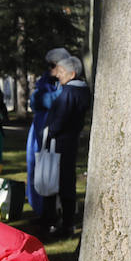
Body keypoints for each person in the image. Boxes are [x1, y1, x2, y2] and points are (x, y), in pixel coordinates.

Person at [38, 55, 90, 238]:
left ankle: (53, 222)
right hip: (70, 142)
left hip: (59, 144)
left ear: (72, 73)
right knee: (66, 183)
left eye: (61, 71)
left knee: (54, 183)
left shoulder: (68, 92)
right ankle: (66, 223)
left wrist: (48, 132)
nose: (58, 75)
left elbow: (59, 119)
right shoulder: (82, 90)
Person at [27, 48, 67, 213]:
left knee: (51, 170)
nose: (50, 69)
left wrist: (43, 99)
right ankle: (39, 207)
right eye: (49, 65)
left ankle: (51, 210)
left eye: (53, 65)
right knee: (36, 166)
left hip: (53, 132)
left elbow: (56, 102)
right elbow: (34, 102)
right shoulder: (45, 81)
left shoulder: (64, 84)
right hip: (37, 130)